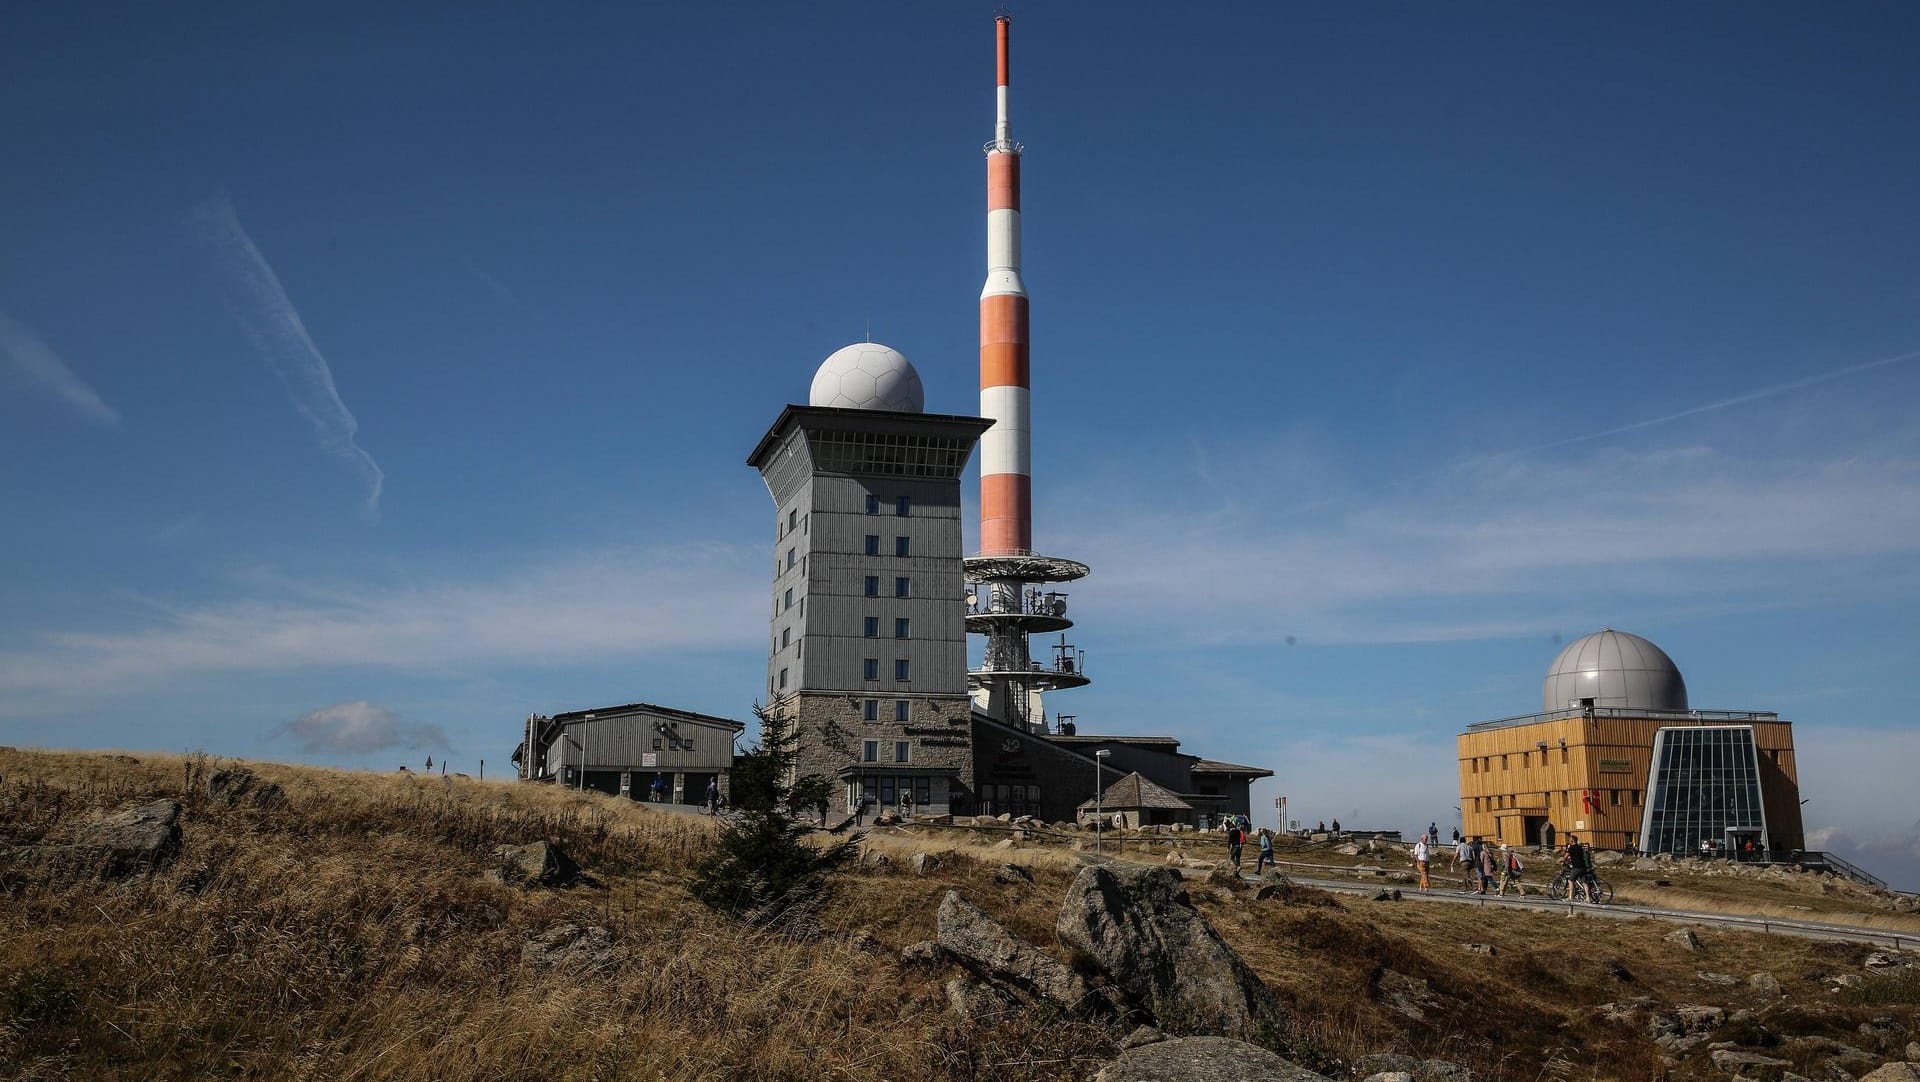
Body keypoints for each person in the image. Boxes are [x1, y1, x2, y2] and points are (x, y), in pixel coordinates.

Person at [1563, 834, 1598, 903]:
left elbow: (1566, 856)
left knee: (1570, 880)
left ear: (1572, 840)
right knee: (1584, 883)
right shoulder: (1580, 847)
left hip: (1576, 867)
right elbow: (1577, 856)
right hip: (1583, 867)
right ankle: (1588, 898)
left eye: (1570, 840)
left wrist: (1563, 861)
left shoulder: (1571, 848)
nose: (1569, 841)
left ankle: (1570, 897)